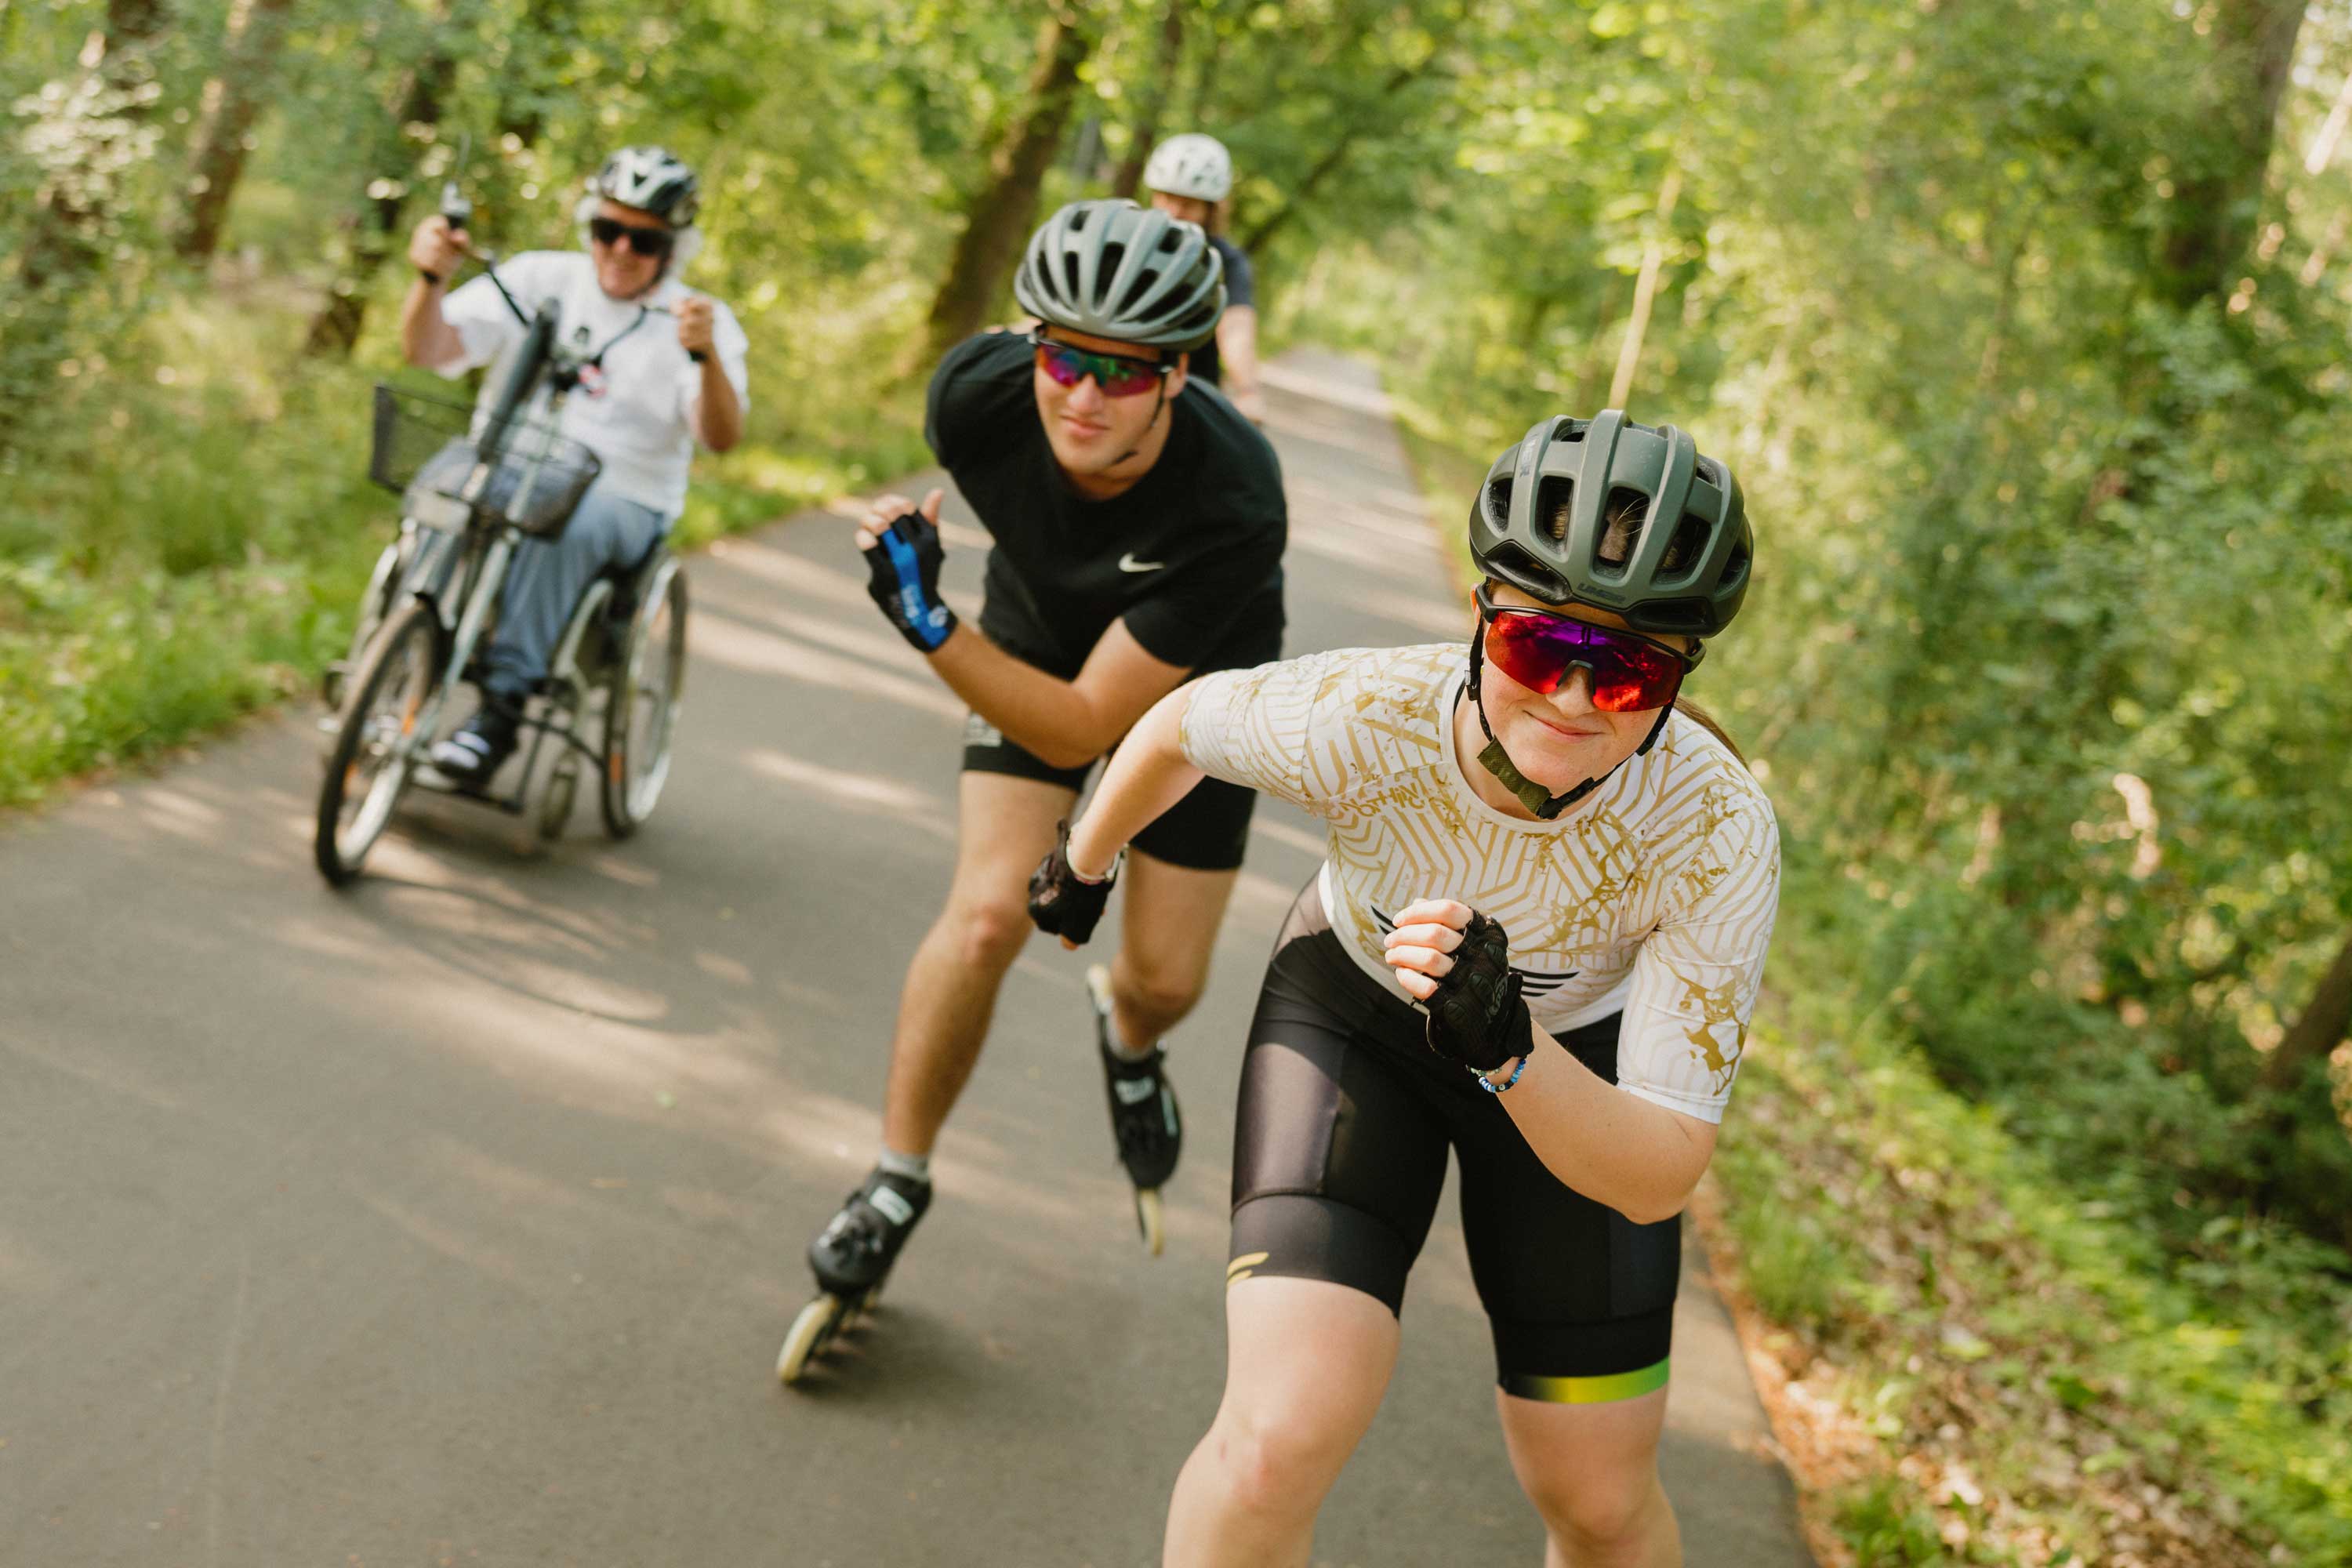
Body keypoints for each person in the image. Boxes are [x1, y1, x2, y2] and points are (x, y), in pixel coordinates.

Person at [1029, 411, 1777, 1566]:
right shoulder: (1368, 715)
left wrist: (1512, 1048)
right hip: (1353, 1020)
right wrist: (1084, 860)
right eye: (1538, 645)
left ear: (1680, 678)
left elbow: (1661, 1173)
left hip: (1574, 1073)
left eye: (1632, 669)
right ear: (1480, 616)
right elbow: (1179, 725)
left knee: (1597, 1503)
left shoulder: (1715, 829)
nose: (1577, 698)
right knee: (1273, 1444)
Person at [796, 198, 1287, 1324]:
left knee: (1166, 981)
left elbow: (1080, 730)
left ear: (1177, 374)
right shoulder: (975, 398)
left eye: (1122, 372)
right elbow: (1051, 711)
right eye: (1063, 358)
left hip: (1196, 680)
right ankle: (895, 1177)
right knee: (987, 915)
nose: (1082, 396)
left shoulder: (1237, 498)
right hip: (1039, 629)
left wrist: (929, 625)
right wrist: (959, 629)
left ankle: (1130, 1040)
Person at [397, 145, 749, 784]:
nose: (621, 250)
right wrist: (429, 279)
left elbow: (721, 436)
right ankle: (407, 646)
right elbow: (426, 350)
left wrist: (706, 359)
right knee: (440, 484)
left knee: (568, 523)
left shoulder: (698, 319)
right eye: (608, 230)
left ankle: (500, 712)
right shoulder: (537, 277)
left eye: (643, 240)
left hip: (623, 490)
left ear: (672, 249)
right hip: (510, 458)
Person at [1142, 133, 1264, 423]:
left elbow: (1235, 326)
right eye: (1167, 198)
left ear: (1210, 209)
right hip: (1120, 383)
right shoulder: (1126, 243)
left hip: (1191, 396)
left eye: (1188, 203)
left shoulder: (1226, 262)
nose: (1174, 212)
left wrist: (1248, 391)